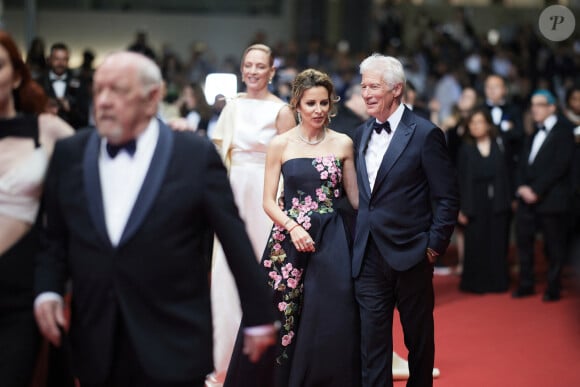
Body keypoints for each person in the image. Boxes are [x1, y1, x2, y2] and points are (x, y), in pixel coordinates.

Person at [33, 51, 278, 387]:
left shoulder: (193, 155)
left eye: (117, 91)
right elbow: (55, 238)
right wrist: (47, 290)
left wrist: (260, 316)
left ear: (153, 99)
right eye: (98, 90)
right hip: (95, 339)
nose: (103, 102)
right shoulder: (70, 153)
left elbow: (234, 237)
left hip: (173, 339)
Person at [225, 68, 360, 387]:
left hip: (332, 239)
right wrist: (293, 227)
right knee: (280, 315)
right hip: (287, 240)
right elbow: (268, 201)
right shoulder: (281, 145)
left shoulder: (343, 144)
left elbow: (356, 201)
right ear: (297, 104)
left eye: (324, 103)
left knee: (332, 312)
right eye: (311, 103)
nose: (318, 110)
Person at [352, 54, 459, 387]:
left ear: (396, 89)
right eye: (364, 85)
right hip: (368, 255)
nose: (366, 93)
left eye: (374, 86)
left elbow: (446, 198)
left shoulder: (426, 134)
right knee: (372, 346)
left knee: (418, 341)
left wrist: (433, 247)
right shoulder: (359, 134)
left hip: (412, 253)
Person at [207, 43, 295, 386]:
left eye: (261, 66)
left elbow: (291, 158)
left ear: (272, 71)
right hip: (232, 190)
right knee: (225, 271)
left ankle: (262, 364)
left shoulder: (282, 110)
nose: (254, 71)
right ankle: (221, 360)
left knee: (264, 270)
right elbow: (218, 153)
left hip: (267, 193)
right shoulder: (232, 106)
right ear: (242, 70)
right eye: (248, 65)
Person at [0, 30, 74, 387]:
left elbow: (103, 155)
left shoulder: (45, 130)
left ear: (15, 75)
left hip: (21, 292)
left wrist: (167, 132)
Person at [512, 89, 575, 302]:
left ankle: (553, 286)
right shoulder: (532, 133)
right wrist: (521, 187)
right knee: (524, 242)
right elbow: (522, 163)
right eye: (532, 104)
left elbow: (560, 166)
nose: (534, 109)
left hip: (552, 199)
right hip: (527, 198)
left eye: (539, 104)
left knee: (553, 245)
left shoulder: (565, 131)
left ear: (552, 107)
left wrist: (537, 190)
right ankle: (527, 283)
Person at [457, 107, 512, 294]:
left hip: (497, 201)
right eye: (472, 123)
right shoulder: (465, 148)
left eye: (479, 122)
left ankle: (498, 282)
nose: (475, 126)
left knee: (497, 242)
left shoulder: (500, 143)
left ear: (488, 125)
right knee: (476, 243)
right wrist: (461, 208)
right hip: (474, 203)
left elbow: (507, 173)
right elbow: (460, 179)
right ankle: (476, 283)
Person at [37, 42, 91, 129]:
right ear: (50, 59)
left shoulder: (79, 83)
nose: (60, 63)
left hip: (73, 134)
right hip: (45, 132)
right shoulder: (39, 83)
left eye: (64, 59)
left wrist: (69, 109)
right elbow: (31, 115)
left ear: (68, 60)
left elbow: (85, 118)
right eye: (57, 59)